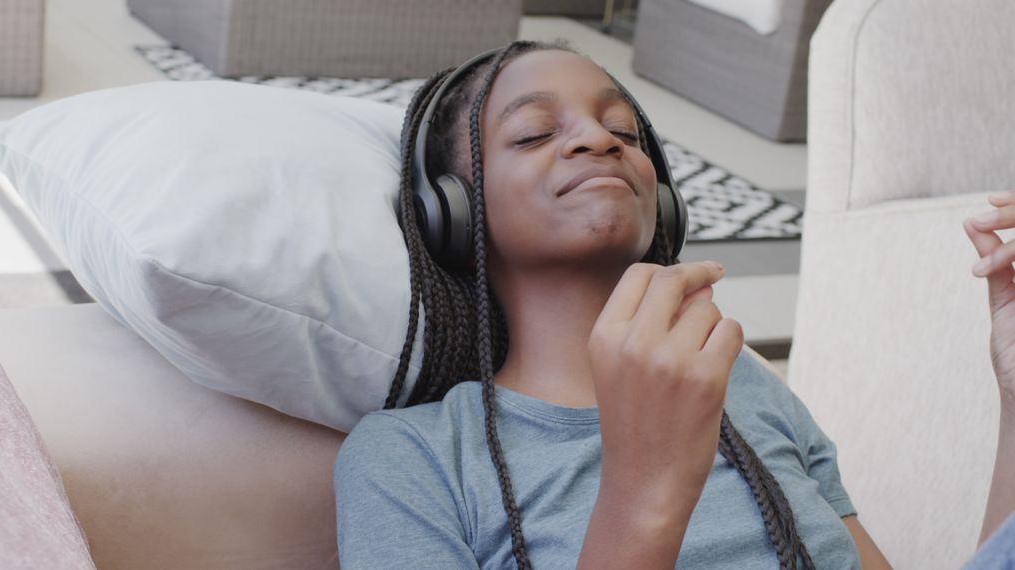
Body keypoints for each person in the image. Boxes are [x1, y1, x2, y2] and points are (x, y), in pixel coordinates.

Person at [333, 39, 1011, 568]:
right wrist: (643, 493)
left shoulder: (739, 381)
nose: (599, 141)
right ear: (450, 210)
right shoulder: (410, 457)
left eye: (624, 133)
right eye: (535, 134)